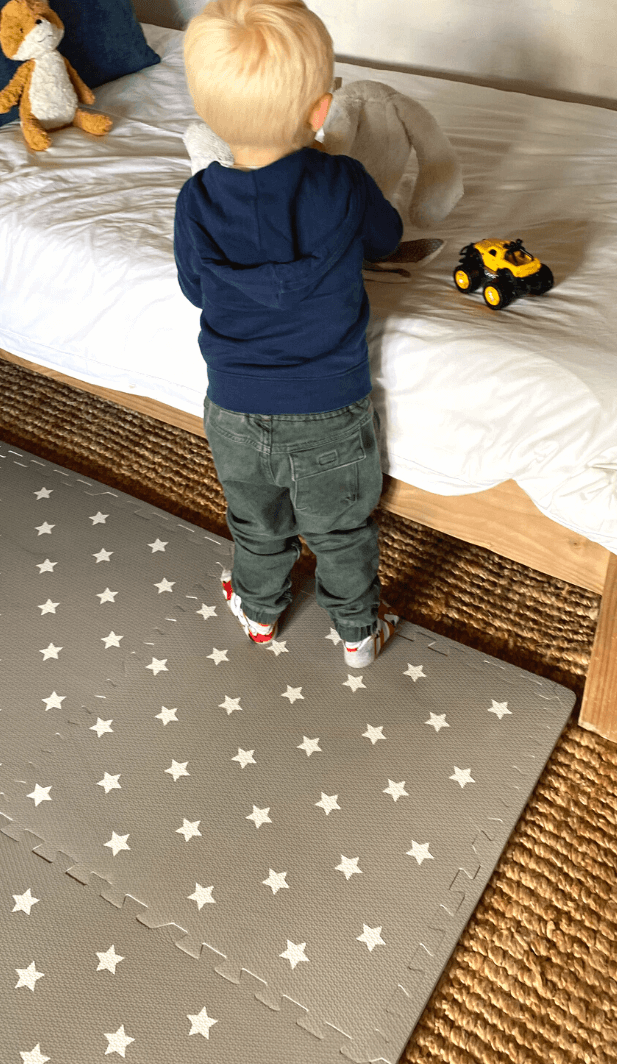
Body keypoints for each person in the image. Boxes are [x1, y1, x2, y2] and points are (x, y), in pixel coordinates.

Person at [173, 0, 403, 668]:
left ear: (208, 116)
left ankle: (260, 615)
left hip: (235, 407)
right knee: (339, 527)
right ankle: (358, 633)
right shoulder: (342, 181)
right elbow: (385, 239)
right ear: (321, 112)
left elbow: (195, 289)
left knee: (257, 522)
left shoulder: (196, 200)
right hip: (329, 407)